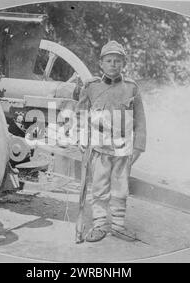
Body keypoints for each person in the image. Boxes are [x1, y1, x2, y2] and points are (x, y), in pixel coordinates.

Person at [76, 41, 146, 242]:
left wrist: (139, 146)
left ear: (123, 63)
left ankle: (118, 225)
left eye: (117, 61)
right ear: (101, 63)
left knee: (121, 187)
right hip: (99, 148)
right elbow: (80, 114)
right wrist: (81, 137)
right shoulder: (91, 87)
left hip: (123, 148)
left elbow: (140, 120)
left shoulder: (131, 88)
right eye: (109, 60)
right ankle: (99, 225)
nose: (113, 64)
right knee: (99, 187)